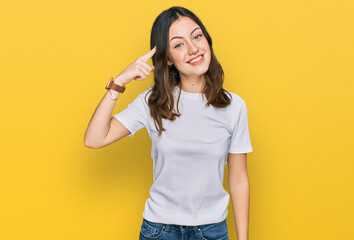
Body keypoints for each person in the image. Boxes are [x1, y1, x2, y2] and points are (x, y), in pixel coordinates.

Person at [84, 6, 253, 240]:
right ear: (168, 59)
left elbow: (238, 179)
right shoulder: (152, 102)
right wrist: (120, 81)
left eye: (197, 36)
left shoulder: (234, 106)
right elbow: (94, 139)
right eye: (178, 44)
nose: (193, 48)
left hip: (212, 231)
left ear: (207, 40)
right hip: (160, 231)